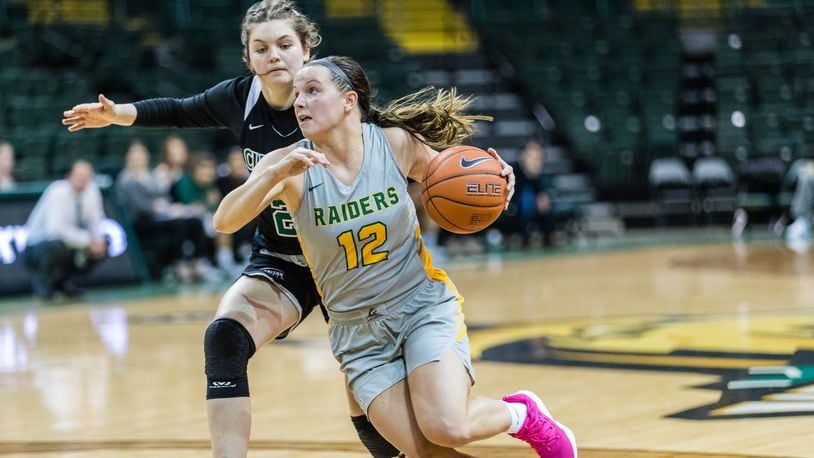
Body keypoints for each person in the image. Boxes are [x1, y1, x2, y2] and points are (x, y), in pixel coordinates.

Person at [61, 2, 400, 457]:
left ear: (307, 49)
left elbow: (407, 149)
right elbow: (180, 110)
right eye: (261, 48)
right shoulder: (241, 97)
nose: (274, 55)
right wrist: (118, 113)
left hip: (351, 259)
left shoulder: (336, 97)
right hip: (285, 260)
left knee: (366, 395)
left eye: (284, 44)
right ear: (248, 57)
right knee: (224, 336)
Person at [213, 55, 576, 457]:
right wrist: (271, 174)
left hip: (420, 306)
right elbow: (225, 221)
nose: (299, 102)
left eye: (313, 91)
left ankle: (523, 414)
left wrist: (497, 179)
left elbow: (458, 176)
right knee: (428, 452)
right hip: (358, 333)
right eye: (297, 93)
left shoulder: (394, 143)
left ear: (349, 101)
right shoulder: (290, 164)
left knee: (448, 427)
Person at [116, 140, 212, 282]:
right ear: (127, 156)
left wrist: (169, 206)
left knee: (194, 221)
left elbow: (164, 196)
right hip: (142, 221)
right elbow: (140, 206)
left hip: (162, 215)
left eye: (141, 152)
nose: (138, 156)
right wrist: (160, 208)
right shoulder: (126, 179)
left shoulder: (151, 175)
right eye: (134, 153)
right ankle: (180, 263)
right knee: (178, 223)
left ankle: (198, 261)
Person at [22, 160, 108, 299]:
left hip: (71, 242)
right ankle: (42, 285)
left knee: (103, 247)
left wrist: (97, 241)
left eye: (86, 176)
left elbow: (96, 221)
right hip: (36, 248)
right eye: (79, 175)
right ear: (69, 176)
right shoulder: (57, 192)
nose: (82, 180)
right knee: (57, 246)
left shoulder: (92, 191)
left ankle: (63, 283)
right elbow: (54, 231)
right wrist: (87, 240)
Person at [512, 139, 555, 248]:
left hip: (534, 204)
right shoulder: (514, 170)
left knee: (546, 205)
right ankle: (524, 240)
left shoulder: (539, 175)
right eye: (530, 156)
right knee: (523, 205)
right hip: (515, 203)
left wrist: (542, 197)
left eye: (537, 157)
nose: (534, 161)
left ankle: (548, 240)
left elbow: (541, 191)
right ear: (523, 156)